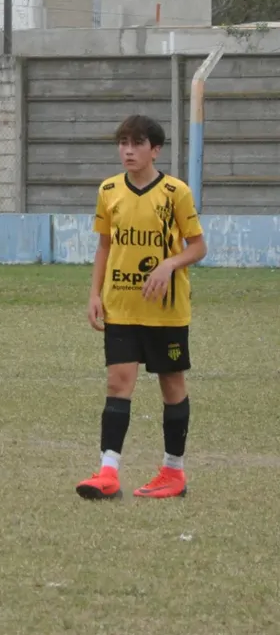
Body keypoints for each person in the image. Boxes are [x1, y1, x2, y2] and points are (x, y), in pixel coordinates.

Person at [76, 114, 206, 501]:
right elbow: (104, 246)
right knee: (118, 383)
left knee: (171, 384)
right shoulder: (109, 190)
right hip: (121, 306)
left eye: (136, 144)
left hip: (165, 310)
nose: (128, 151)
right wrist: (94, 294)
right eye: (123, 143)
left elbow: (199, 247)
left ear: (155, 150)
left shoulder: (175, 192)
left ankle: (173, 471)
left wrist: (169, 264)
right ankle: (108, 473)